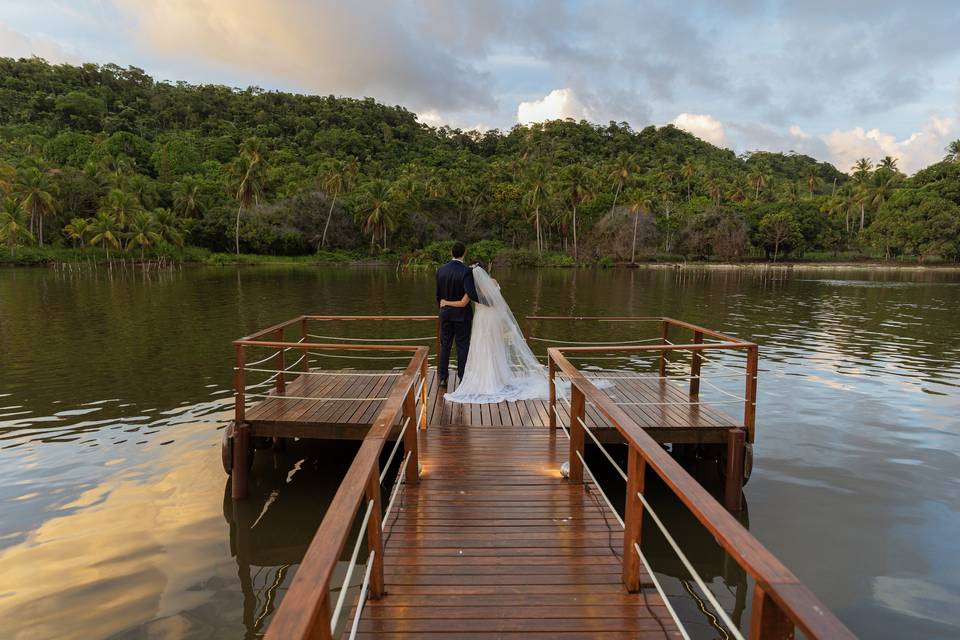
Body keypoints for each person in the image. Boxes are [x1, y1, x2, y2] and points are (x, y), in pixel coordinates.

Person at [439, 263, 549, 404]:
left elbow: (462, 303)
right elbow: (497, 302)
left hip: (483, 320)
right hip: (494, 319)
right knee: (495, 346)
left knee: (483, 346)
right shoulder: (494, 282)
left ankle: (487, 377)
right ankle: (498, 376)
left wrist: (445, 302)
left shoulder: (474, 288)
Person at [435, 241, 479, 388]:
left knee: (445, 346)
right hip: (462, 316)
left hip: (445, 314)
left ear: (451, 253)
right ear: (464, 253)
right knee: (462, 346)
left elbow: (438, 296)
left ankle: (442, 378)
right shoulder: (466, 271)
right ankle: (462, 377)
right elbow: (471, 293)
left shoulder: (440, 270)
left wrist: (443, 308)